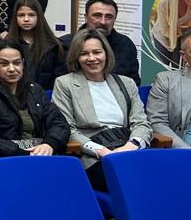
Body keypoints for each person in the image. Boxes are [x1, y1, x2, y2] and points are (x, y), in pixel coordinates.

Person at [52, 29, 151, 191]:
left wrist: (130, 146)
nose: (92, 58)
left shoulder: (126, 83)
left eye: (97, 52)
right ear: (76, 57)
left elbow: (141, 123)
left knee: (163, 174)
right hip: (93, 156)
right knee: (133, 181)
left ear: (106, 54)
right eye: (84, 54)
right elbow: (67, 129)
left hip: (128, 148)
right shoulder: (64, 84)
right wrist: (103, 151)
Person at [0, 41, 69, 158]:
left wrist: (50, 143)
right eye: (4, 64)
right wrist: (17, 151)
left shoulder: (34, 89)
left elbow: (59, 123)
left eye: (17, 63)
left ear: (23, 64)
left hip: (40, 153)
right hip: (4, 157)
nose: (11, 69)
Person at [60, 0, 141, 84]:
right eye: (97, 16)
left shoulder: (125, 45)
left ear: (114, 20)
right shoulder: (64, 45)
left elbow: (133, 83)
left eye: (109, 17)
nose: (103, 22)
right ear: (86, 17)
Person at [6, 0, 64, 90]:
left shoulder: (53, 45)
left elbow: (59, 78)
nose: (26, 19)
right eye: (21, 15)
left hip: (45, 95)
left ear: (39, 16)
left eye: (31, 15)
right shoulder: (7, 44)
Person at [145, 30, 191, 148]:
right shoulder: (166, 80)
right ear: (184, 56)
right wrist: (185, 150)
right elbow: (157, 123)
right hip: (183, 148)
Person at [150, 0, 191, 69]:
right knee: (162, 65)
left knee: (178, 67)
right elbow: (165, 30)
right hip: (163, 37)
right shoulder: (164, 3)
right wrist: (183, 29)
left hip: (180, 38)